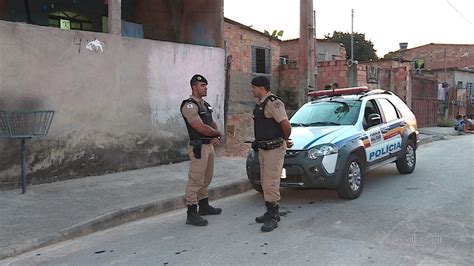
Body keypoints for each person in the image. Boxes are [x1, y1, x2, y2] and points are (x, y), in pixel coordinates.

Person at [250, 76, 293, 232]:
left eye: (254, 87)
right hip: (263, 148)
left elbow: (285, 125)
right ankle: (269, 211)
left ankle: (273, 215)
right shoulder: (261, 104)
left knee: (271, 182)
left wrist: (283, 139)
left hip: (274, 149)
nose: (252, 90)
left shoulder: (273, 103)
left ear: (261, 88)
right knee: (265, 181)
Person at [180, 74, 223, 226]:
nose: (205, 88)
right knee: (195, 179)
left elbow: (211, 123)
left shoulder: (205, 105)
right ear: (194, 87)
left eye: (206, 85)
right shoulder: (189, 105)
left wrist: (216, 135)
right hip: (198, 147)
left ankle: (203, 206)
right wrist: (217, 133)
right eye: (202, 85)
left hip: (208, 146)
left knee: (206, 178)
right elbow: (199, 127)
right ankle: (191, 212)